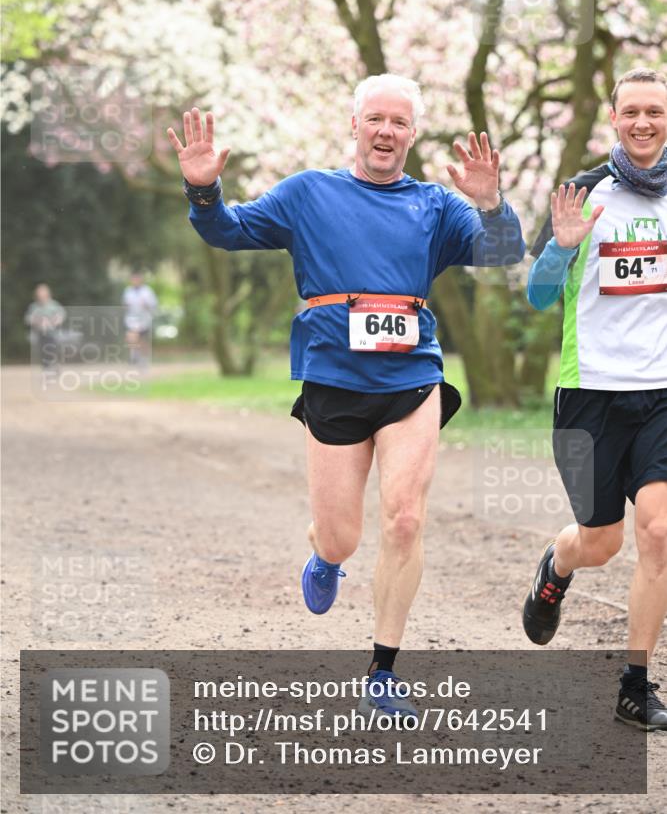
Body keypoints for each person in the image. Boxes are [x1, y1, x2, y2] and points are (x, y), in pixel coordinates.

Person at [168, 73, 525, 720]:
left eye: (399, 122)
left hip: (411, 377)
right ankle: (324, 553)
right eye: (375, 119)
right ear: (354, 125)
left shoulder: (435, 206)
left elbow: (504, 251)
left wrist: (491, 203)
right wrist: (202, 189)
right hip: (333, 377)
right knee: (341, 539)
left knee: (405, 518)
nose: (386, 131)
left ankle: (383, 671)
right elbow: (227, 230)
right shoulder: (309, 193)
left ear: (412, 134)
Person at [523, 67, 667, 730]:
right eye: (631, 111)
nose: (643, 122)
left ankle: (635, 684)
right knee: (600, 541)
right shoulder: (582, 192)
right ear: (613, 119)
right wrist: (561, 248)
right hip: (589, 397)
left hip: (659, 394)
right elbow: (537, 295)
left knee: (659, 532)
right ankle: (556, 568)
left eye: (654, 111)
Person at [24, 283, 65, 371]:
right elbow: (28, 319)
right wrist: (38, 322)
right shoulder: (34, 307)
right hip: (39, 333)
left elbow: (61, 316)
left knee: (51, 344)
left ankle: (53, 364)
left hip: (53, 333)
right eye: (39, 294)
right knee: (43, 346)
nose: (41, 296)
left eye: (43, 293)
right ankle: (47, 367)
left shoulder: (54, 305)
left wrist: (52, 322)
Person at [122, 271, 158, 367]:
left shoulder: (147, 291)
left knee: (142, 340)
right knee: (131, 336)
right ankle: (133, 356)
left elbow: (153, 305)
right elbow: (124, 304)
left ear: (141, 280)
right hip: (131, 318)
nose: (135, 281)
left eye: (137, 279)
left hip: (144, 319)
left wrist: (146, 305)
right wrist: (126, 306)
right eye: (133, 279)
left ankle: (143, 358)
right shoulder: (128, 291)